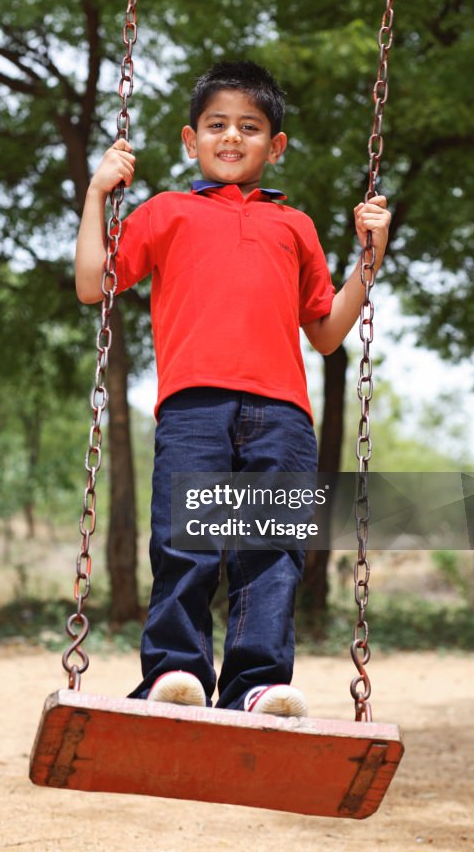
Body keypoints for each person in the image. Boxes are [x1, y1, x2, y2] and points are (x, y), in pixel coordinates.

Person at [75, 61, 390, 717]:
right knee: (186, 542)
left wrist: (369, 260)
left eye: (249, 127)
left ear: (274, 147)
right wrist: (97, 193)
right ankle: (176, 674)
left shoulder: (295, 225)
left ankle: (256, 685)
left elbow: (328, 332)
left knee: (270, 553)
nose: (231, 138)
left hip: (282, 415)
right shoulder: (166, 213)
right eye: (216, 125)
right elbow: (92, 285)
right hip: (195, 407)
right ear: (191, 140)